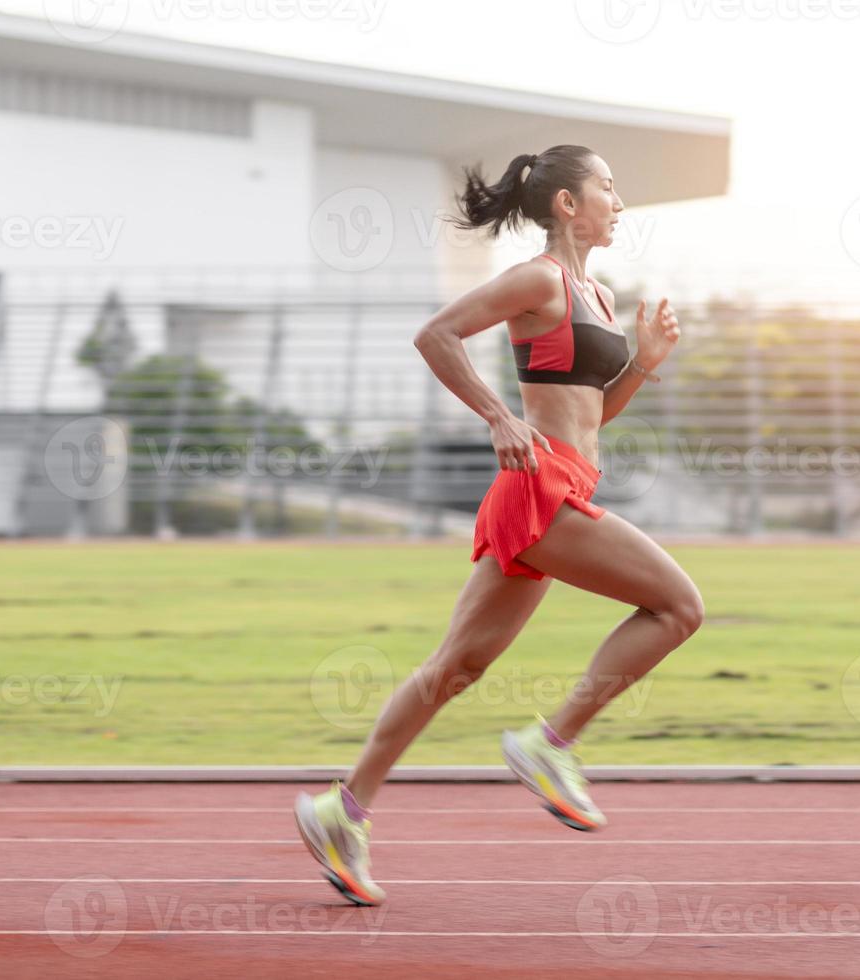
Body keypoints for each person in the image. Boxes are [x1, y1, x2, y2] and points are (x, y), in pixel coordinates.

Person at [294, 144, 704, 906]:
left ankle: (341, 810)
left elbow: (593, 413)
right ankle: (551, 745)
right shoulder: (539, 279)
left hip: (560, 482)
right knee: (680, 607)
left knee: (456, 666)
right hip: (541, 488)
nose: (619, 200)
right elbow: (437, 334)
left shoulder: (600, 297)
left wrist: (643, 362)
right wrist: (495, 416)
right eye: (607, 187)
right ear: (567, 206)